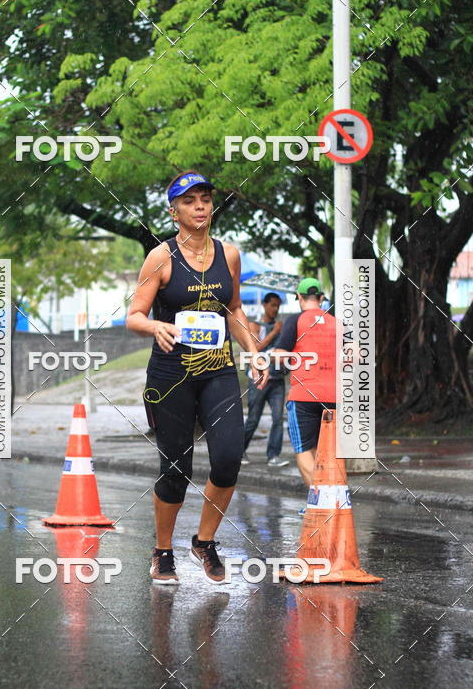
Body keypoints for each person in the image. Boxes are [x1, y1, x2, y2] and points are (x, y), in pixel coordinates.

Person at [127, 171, 267, 586]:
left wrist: (253, 353)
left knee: (227, 459)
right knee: (176, 469)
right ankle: (163, 550)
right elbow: (134, 315)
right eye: (190, 201)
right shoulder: (161, 258)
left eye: (205, 199)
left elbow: (234, 310)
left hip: (218, 370)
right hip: (172, 374)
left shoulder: (230, 255)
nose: (201, 206)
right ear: (175, 212)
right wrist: (156, 327)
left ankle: (204, 541)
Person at [271, 278, 335, 487]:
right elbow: (352, 355)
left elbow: (280, 355)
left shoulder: (295, 320)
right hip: (335, 397)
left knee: (304, 450)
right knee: (326, 450)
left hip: (304, 396)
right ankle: (329, 499)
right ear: (321, 298)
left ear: (299, 297)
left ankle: (319, 500)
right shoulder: (335, 321)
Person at [242, 292, 289, 468]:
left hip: (277, 379)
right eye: (272, 305)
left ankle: (273, 456)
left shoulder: (280, 326)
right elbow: (256, 347)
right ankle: (239, 450)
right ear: (264, 305)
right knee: (253, 418)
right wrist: (274, 332)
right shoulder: (255, 325)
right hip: (259, 379)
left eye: (278, 305)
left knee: (278, 418)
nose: (275, 309)